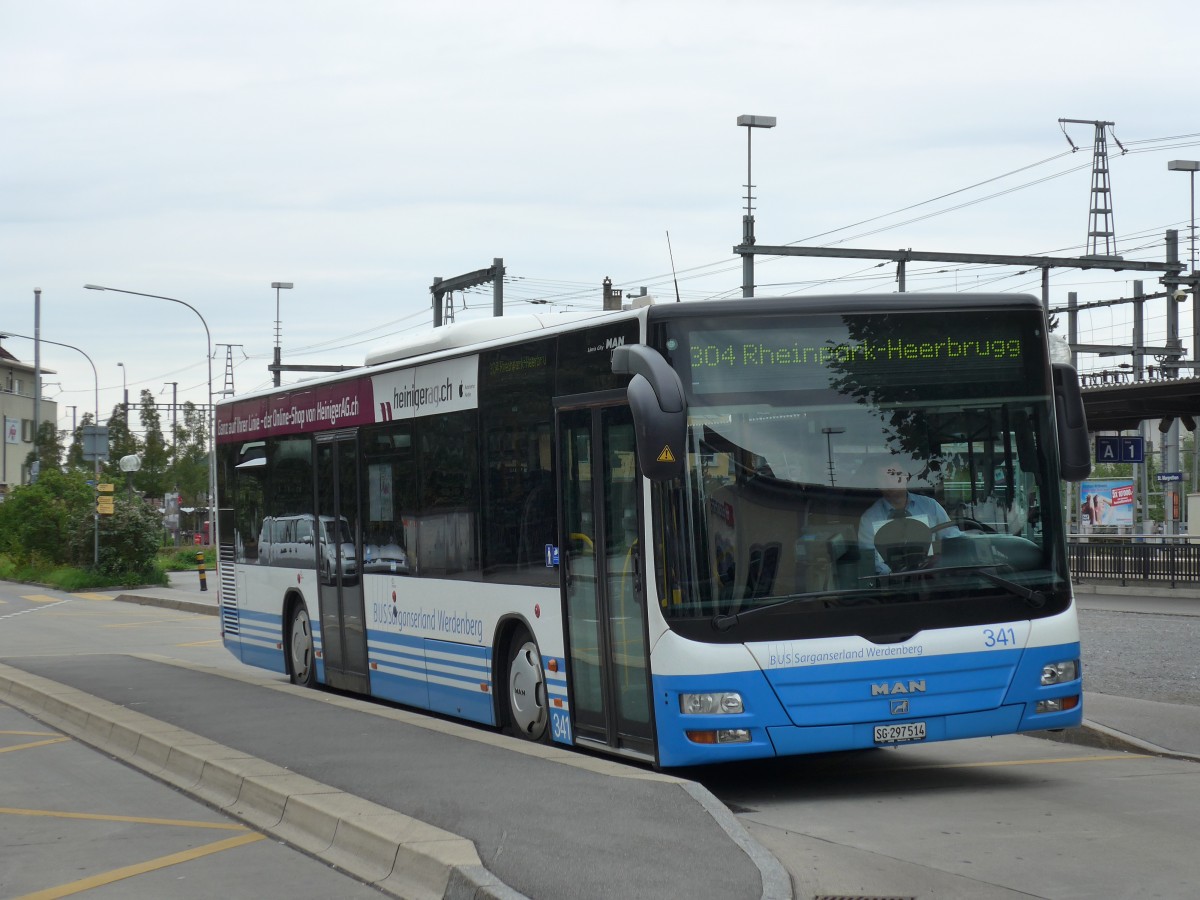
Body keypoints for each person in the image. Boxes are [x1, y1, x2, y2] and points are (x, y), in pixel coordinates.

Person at [858, 462, 960, 575]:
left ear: (906, 476)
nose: (890, 481)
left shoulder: (930, 506)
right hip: (891, 584)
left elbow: (953, 539)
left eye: (894, 474)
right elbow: (869, 559)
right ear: (877, 483)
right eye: (883, 478)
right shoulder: (869, 518)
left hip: (934, 579)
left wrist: (977, 537)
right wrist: (895, 576)